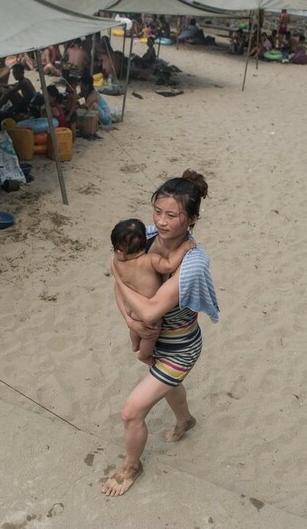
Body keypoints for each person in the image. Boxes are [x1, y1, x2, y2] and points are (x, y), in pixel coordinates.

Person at [103, 170, 219, 497]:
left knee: (131, 411)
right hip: (153, 340)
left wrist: (130, 299)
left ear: (192, 218)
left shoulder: (192, 262)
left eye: (172, 215)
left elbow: (152, 310)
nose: (162, 222)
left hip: (180, 348)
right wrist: (130, 320)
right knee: (168, 385)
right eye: (158, 211)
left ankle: (131, 466)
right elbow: (121, 281)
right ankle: (186, 420)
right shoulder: (147, 235)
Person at [111, 218, 195, 365]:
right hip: (146, 309)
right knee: (150, 336)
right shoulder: (150, 260)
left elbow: (118, 282)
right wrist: (183, 249)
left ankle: (134, 344)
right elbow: (169, 266)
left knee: (136, 330)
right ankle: (144, 355)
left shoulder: (117, 263)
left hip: (130, 306)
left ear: (120, 251)